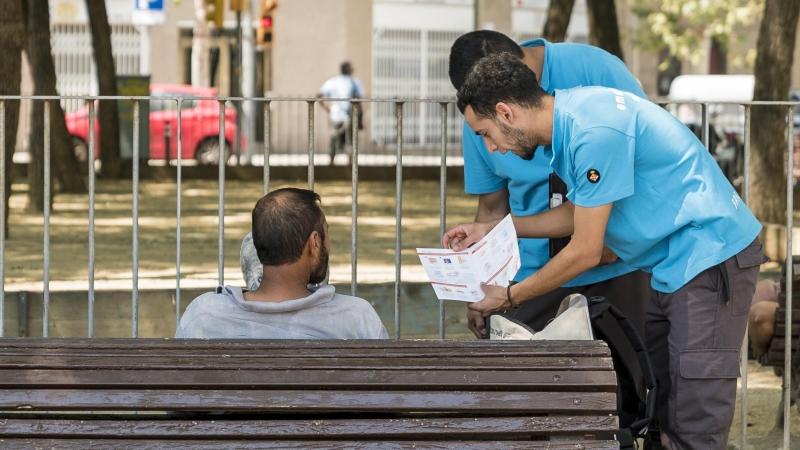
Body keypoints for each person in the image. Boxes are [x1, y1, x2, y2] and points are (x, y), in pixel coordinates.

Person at [444, 53, 767, 449]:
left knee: (694, 420)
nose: (490, 149)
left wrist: (510, 297)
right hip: (672, 265)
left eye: (484, 133)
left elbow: (585, 251)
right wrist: (495, 228)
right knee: (660, 402)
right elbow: (580, 213)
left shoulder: (592, 130)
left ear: (505, 113)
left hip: (709, 258)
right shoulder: (574, 113)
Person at [448, 30, 651, 339]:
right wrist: (482, 288)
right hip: (533, 271)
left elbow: (642, 162)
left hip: (616, 264)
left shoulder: (595, 72)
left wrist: (608, 243)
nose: (491, 145)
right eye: (482, 133)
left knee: (624, 375)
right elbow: (492, 207)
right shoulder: (481, 118)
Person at [176, 188, 388, 339]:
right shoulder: (356, 318)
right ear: (314, 244)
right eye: (326, 235)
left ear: (258, 245)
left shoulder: (203, 314)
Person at [318, 61, 364, 166]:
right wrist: (360, 119)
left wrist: (328, 107)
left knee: (333, 141)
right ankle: (350, 166)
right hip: (350, 117)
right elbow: (360, 100)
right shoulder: (354, 82)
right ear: (350, 70)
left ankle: (331, 164)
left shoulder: (333, 81)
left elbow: (319, 94)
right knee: (351, 142)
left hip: (335, 116)